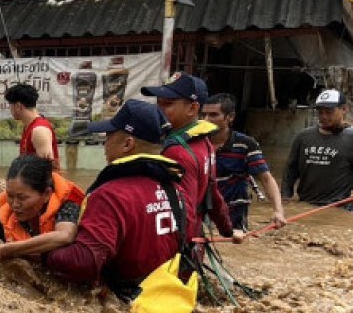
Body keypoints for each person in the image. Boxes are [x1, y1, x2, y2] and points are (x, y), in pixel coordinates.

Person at [46, 100, 185, 297]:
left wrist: (40, 250)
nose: (105, 143)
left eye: (109, 136)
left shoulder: (110, 195)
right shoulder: (174, 188)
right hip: (165, 295)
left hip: (125, 300)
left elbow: (84, 263)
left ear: (128, 143)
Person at [142, 72, 235, 240]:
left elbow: (182, 209)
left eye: (167, 104)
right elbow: (212, 193)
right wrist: (227, 229)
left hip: (179, 246)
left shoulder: (176, 152)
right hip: (194, 238)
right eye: (159, 103)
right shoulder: (204, 142)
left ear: (192, 108)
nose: (159, 110)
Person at [201, 93, 286, 231]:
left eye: (213, 115)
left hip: (234, 211)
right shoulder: (196, 143)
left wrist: (278, 211)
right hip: (203, 209)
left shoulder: (245, 145)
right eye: (203, 115)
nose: (206, 120)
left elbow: (266, 178)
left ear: (230, 117)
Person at [0, 154, 84, 262]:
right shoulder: (6, 213)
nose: (15, 204)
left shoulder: (68, 205)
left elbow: (65, 236)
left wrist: (3, 250)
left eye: (22, 197)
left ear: (46, 194)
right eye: (10, 196)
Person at [283, 89, 353, 208]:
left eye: (329, 111)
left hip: (340, 208)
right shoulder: (303, 137)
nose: (323, 116)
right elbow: (290, 171)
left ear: (344, 109)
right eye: (320, 112)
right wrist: (284, 198)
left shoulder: (351, 138)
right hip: (305, 205)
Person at [4, 83, 60, 166]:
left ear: (18, 106)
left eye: (10, 105)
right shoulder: (29, 126)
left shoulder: (39, 130)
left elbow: (45, 170)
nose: (10, 109)